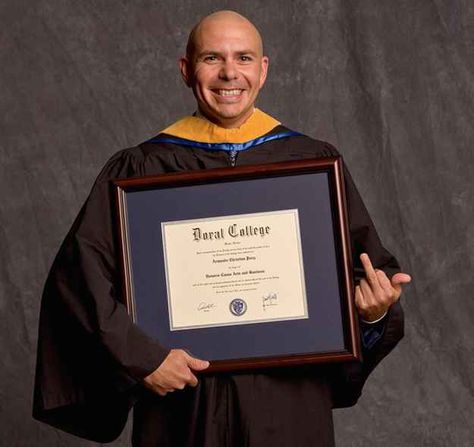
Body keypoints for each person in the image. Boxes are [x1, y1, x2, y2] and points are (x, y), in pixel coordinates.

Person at [34, 10, 411, 447]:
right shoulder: (140, 170)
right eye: (212, 57)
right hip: (184, 401)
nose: (230, 73)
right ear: (186, 69)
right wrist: (145, 359)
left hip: (287, 402)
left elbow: (364, 277)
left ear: (263, 69)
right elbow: (80, 279)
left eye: (244, 58)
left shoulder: (309, 168)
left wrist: (374, 313)